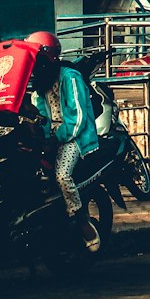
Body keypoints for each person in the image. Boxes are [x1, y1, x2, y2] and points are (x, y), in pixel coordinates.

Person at [26, 31, 99, 219]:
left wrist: (56, 138)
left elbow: (78, 117)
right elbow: (41, 113)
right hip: (53, 136)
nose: (34, 66)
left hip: (75, 137)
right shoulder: (41, 84)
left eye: (38, 60)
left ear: (50, 58)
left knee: (62, 176)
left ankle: (78, 216)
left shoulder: (70, 77)